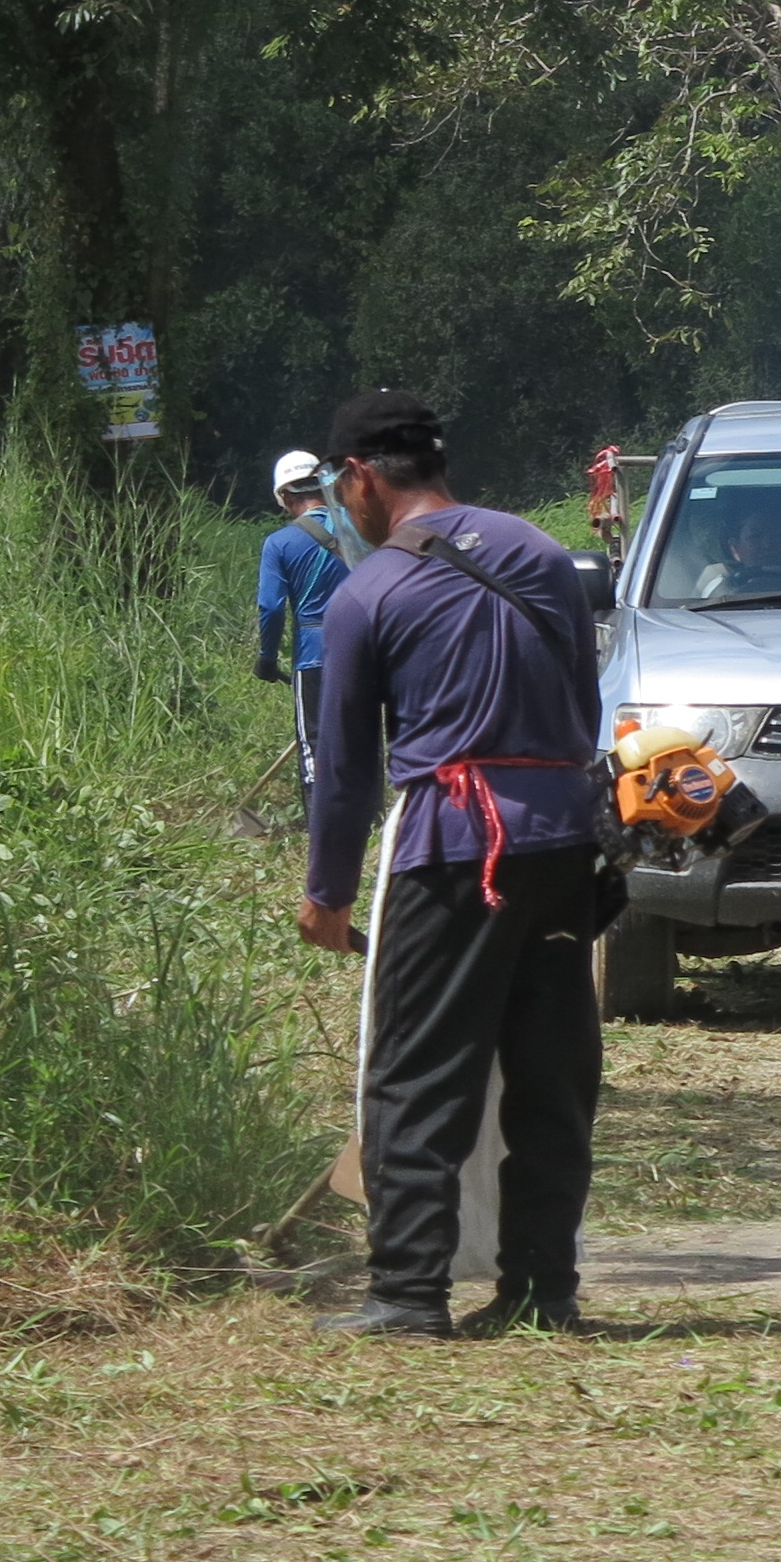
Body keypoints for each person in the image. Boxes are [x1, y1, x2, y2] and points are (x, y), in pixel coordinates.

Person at [299, 390, 607, 1339]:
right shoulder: (544, 555)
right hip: (565, 846)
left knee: (416, 1073)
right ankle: (540, 1290)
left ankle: (405, 1294)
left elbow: (345, 770)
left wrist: (327, 893)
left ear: (360, 479)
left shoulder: (369, 594)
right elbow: (585, 707)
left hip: (454, 850)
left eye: (339, 485)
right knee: (551, 1073)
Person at [255, 450, 349, 826]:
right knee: (362, 733)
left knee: (314, 739)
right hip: (364, 647)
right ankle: (371, 814)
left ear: (286, 498)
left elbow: (272, 608)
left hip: (313, 652)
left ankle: (320, 821)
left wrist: (267, 657)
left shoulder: (279, 544)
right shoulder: (358, 526)